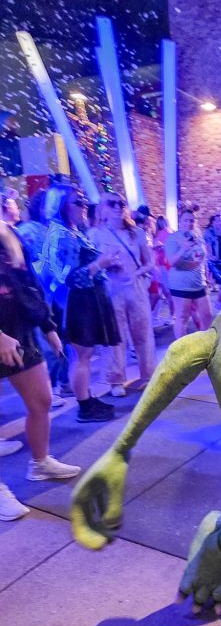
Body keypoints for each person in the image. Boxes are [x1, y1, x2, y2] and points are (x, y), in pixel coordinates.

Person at [0, 221, 80, 520]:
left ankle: (40, 462)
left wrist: (48, 327)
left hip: (19, 332)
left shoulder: (7, 232)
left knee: (42, 401)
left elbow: (29, 283)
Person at [42, 185, 121, 422]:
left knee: (84, 355)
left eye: (84, 201)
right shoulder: (62, 234)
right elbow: (66, 277)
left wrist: (104, 266)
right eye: (78, 202)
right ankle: (84, 406)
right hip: (78, 302)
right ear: (62, 206)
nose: (84, 206)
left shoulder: (72, 231)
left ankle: (86, 398)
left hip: (88, 299)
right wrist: (100, 264)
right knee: (82, 355)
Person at [89, 193, 156, 397]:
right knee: (115, 336)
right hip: (110, 289)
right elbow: (90, 266)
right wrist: (106, 265)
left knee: (143, 331)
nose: (118, 207)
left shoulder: (136, 233)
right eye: (112, 203)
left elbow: (150, 262)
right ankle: (116, 379)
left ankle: (149, 374)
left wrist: (137, 273)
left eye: (121, 203)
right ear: (103, 207)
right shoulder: (95, 234)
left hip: (134, 287)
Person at [16, 190, 72, 401]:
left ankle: (63, 383)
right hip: (41, 296)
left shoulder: (57, 230)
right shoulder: (28, 230)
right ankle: (51, 389)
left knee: (63, 338)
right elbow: (25, 264)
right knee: (48, 342)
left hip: (59, 294)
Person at [164, 207, 212, 338]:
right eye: (186, 220)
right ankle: (181, 350)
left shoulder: (198, 237)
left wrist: (207, 277)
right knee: (182, 317)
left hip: (199, 283)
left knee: (207, 316)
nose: (189, 223)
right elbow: (171, 262)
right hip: (180, 284)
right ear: (180, 221)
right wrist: (183, 249)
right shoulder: (173, 238)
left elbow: (203, 258)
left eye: (191, 220)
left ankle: (203, 345)